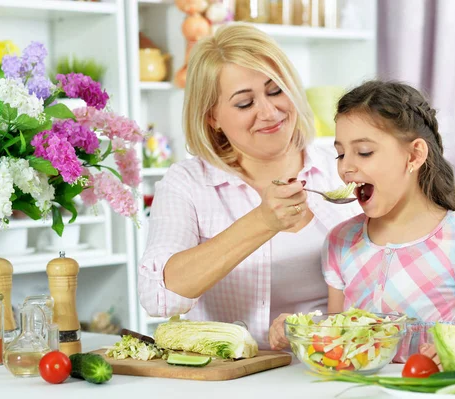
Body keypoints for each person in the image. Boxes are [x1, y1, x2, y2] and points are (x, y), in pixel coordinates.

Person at [137, 23, 358, 350]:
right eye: (244, 103)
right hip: (236, 378)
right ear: (212, 116)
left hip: (337, 365)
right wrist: (261, 223)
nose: (269, 113)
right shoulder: (189, 183)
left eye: (276, 91)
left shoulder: (339, 168)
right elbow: (159, 297)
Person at [271, 80, 455, 360]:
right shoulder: (341, 241)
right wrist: (299, 329)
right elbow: (337, 342)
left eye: (364, 151)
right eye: (341, 153)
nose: (346, 167)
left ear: (414, 155)